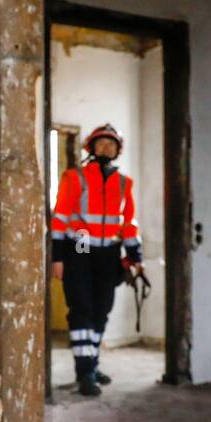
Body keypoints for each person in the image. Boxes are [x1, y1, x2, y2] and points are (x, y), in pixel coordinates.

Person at [49, 123, 143, 396]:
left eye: (111, 144)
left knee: (101, 311)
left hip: (109, 254)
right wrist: (57, 257)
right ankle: (85, 372)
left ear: (117, 150)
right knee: (82, 309)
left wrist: (135, 256)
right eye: (101, 143)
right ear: (91, 147)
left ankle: (92, 363)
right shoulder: (74, 177)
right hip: (79, 248)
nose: (106, 148)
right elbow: (60, 219)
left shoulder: (125, 183)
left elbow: (128, 224)